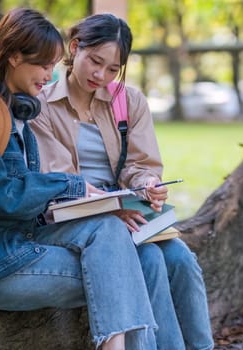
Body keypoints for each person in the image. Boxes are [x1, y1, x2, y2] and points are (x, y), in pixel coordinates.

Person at [0, 8, 156, 350]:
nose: (50, 74)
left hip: (15, 243)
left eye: (53, 65)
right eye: (43, 65)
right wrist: (71, 186)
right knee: (122, 273)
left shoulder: (17, 109)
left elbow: (24, 195)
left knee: (112, 234)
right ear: (13, 56)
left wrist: (95, 204)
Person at [30, 13, 214, 350]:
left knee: (181, 259)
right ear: (75, 48)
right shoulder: (42, 107)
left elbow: (140, 164)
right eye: (95, 62)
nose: (101, 75)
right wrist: (111, 209)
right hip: (76, 216)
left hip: (126, 211)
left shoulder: (127, 101)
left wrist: (147, 185)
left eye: (113, 69)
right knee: (151, 260)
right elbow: (58, 180)